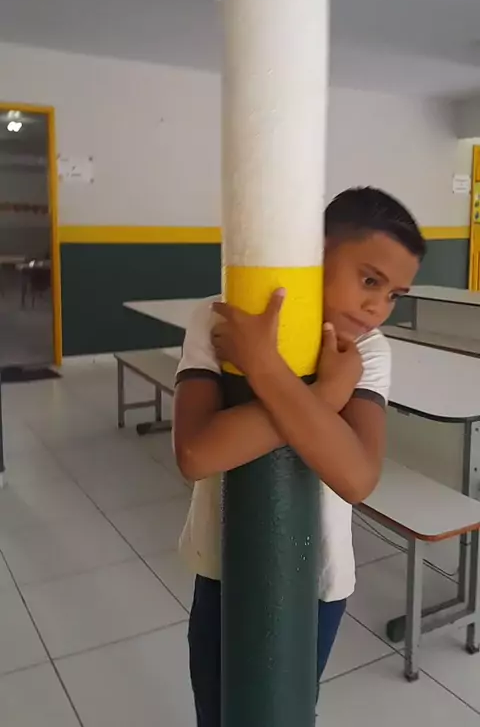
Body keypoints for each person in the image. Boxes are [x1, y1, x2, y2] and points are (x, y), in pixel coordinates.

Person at [173, 187, 425, 727]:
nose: (378, 307)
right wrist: (326, 395)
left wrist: (265, 369)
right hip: (222, 565)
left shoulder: (367, 352)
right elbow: (197, 453)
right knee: (215, 710)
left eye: (394, 294)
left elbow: (356, 477)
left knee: (286, 712)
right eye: (369, 280)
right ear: (314, 253)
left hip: (319, 579)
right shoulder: (221, 319)